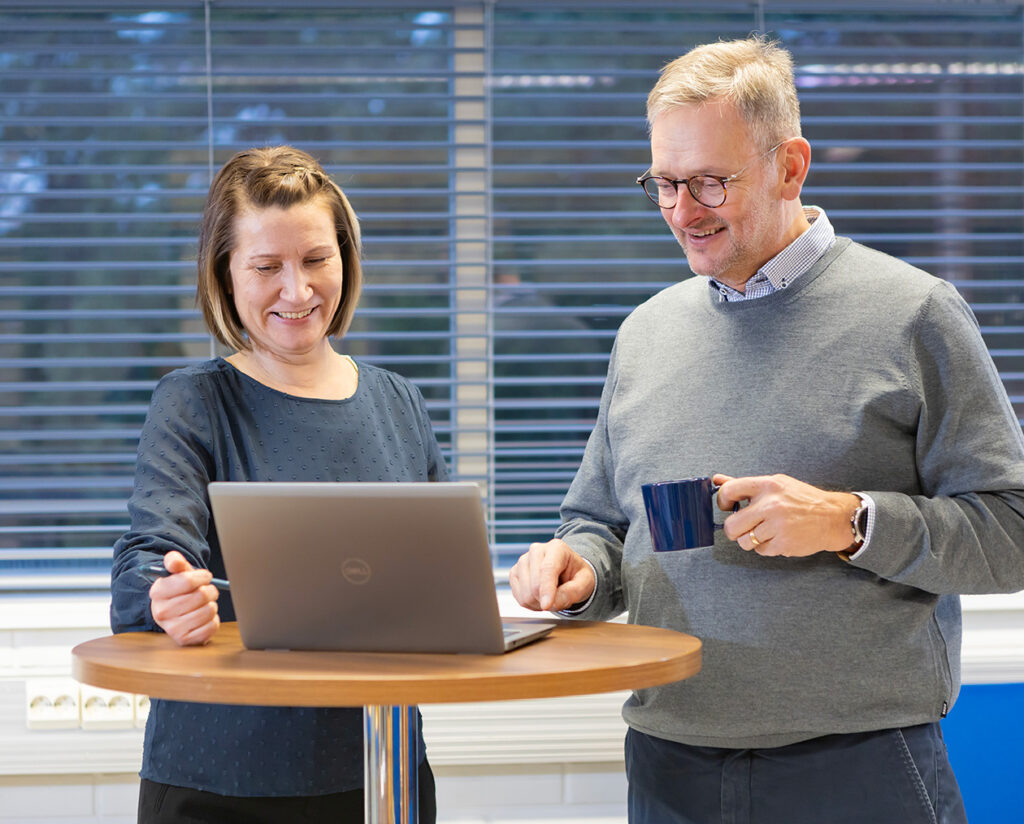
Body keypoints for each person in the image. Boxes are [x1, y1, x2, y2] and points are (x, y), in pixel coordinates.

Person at [509, 35, 1024, 824]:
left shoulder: (914, 314)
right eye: (664, 183)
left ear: (791, 165)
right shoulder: (645, 333)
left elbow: (1010, 530)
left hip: (857, 766)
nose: (682, 212)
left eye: (710, 182)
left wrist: (851, 522)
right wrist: (577, 568)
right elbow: (606, 525)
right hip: (668, 762)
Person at [110, 145, 445, 823]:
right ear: (225, 275)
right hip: (220, 783)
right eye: (267, 267)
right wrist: (167, 596)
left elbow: (439, 586)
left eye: (317, 259)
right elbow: (140, 568)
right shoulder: (194, 402)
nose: (298, 291)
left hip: (383, 777)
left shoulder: (399, 403)